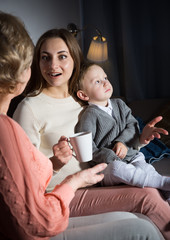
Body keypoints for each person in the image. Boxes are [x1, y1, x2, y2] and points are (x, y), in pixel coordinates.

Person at [0, 11, 149, 240]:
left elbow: (113, 137)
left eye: (62, 56)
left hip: (98, 183)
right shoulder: (28, 108)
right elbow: (24, 178)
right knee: (145, 208)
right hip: (62, 194)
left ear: (74, 60)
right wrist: (56, 163)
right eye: (45, 57)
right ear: (34, 63)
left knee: (145, 209)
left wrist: (139, 139)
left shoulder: (83, 100)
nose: (52, 65)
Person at [74, 61, 170, 201]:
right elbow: (88, 148)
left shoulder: (119, 104)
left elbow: (132, 125)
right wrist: (110, 155)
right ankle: (162, 182)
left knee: (145, 168)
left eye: (105, 78)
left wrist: (122, 142)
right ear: (83, 95)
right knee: (117, 168)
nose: (106, 83)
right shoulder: (89, 115)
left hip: (132, 156)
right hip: (108, 166)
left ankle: (165, 193)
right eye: (97, 82)